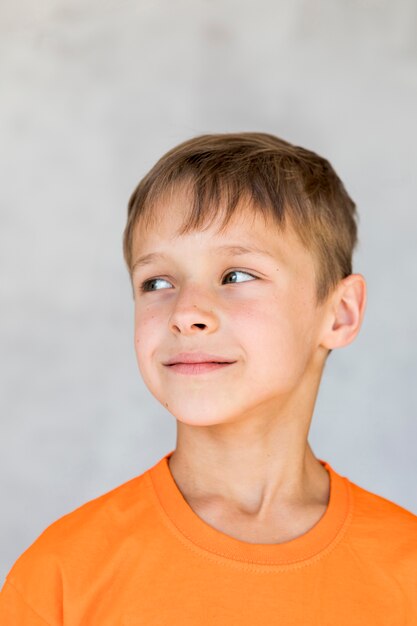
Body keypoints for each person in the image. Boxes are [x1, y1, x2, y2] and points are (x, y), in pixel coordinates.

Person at [1, 132, 416, 624]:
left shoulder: (405, 567)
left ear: (340, 314)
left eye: (236, 275)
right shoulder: (61, 575)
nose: (186, 313)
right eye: (157, 282)